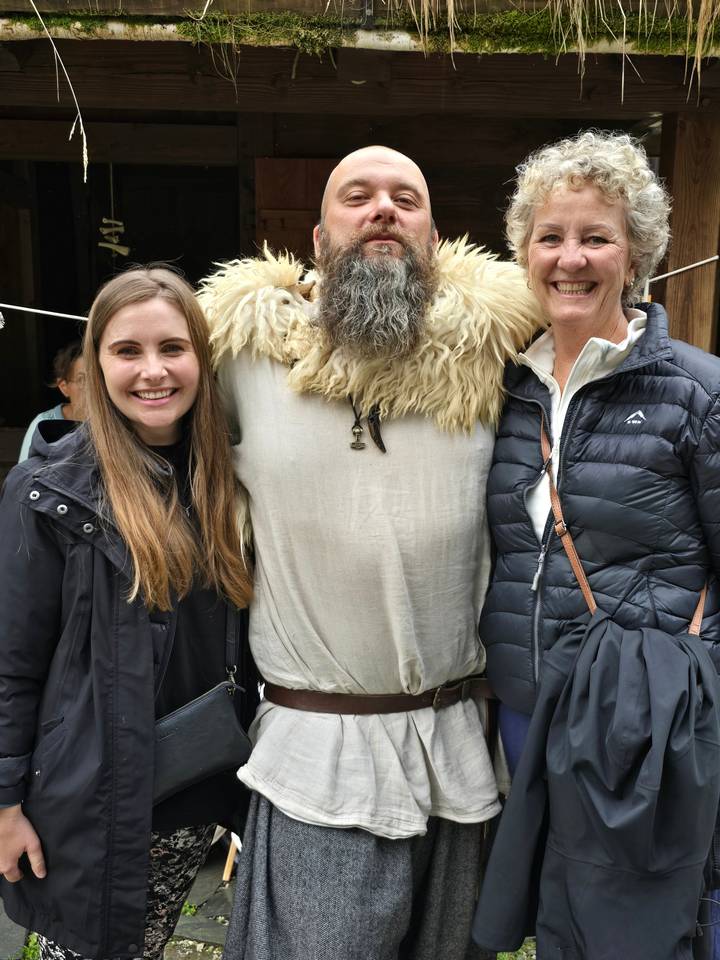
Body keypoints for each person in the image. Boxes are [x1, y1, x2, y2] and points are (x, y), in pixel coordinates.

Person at [198, 145, 542, 960]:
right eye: (358, 196)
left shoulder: (496, 352)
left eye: (405, 198)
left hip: (458, 746)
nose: (383, 208)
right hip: (320, 753)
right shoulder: (239, 352)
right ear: (318, 240)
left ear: (433, 238)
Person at [473, 130, 720, 958]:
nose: (569, 259)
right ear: (524, 251)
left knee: (641, 935)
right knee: (555, 929)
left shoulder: (695, 392)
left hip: (642, 723)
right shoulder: (503, 389)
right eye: (550, 237)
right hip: (526, 710)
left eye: (595, 237)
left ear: (638, 252)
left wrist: (685, 686)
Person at [0, 267, 256, 960]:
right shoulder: (49, 491)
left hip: (188, 787)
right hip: (88, 792)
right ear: (95, 362)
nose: (153, 371)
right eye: (127, 351)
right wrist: (5, 803)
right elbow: (12, 664)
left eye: (173, 348)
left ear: (202, 358)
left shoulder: (228, 482)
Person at [18, 340, 87, 461]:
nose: (93, 388)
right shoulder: (43, 423)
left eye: (98, 379)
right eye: (82, 380)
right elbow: (25, 474)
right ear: (64, 387)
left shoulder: (115, 421)